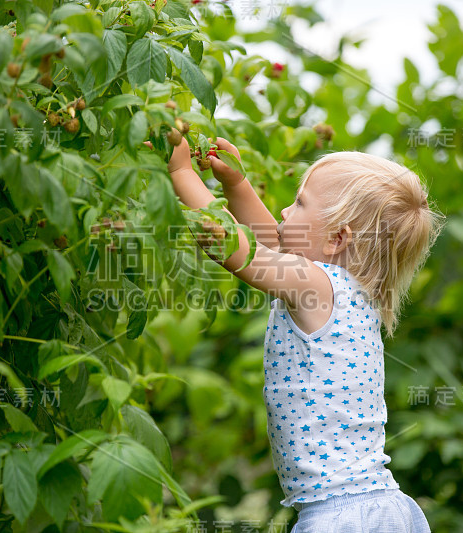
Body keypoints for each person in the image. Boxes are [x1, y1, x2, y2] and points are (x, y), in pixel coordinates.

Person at [166, 134, 443, 532]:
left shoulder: (316, 286)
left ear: (337, 239)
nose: (283, 208)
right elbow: (275, 242)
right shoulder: (349, 291)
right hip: (376, 508)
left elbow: (238, 250)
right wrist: (236, 184)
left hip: (341, 514)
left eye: (299, 203)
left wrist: (181, 173)